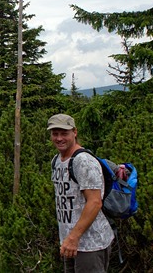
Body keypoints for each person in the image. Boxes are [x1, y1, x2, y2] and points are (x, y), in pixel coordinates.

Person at [48, 113, 114, 273]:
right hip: (71, 243)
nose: (59, 138)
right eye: (55, 133)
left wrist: (73, 237)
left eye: (64, 133)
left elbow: (95, 202)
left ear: (74, 132)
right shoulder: (57, 160)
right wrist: (68, 239)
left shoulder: (83, 161)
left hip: (91, 244)